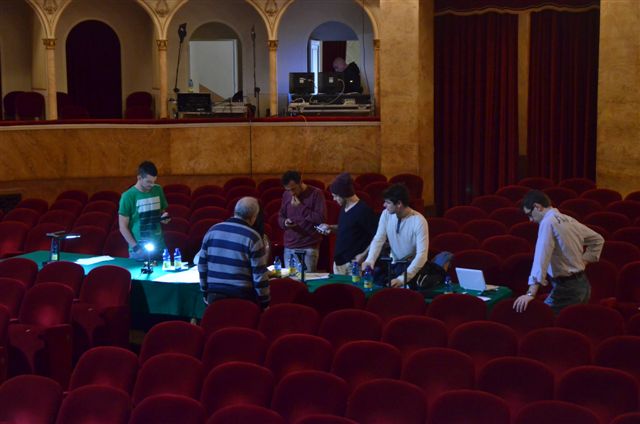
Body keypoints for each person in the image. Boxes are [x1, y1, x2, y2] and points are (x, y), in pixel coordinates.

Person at [513, 190, 604, 314]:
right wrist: (583, 261)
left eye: (530, 215)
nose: (530, 220)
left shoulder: (547, 222)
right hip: (582, 285)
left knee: (543, 318)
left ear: (537, 207)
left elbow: (541, 256)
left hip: (567, 289)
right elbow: (598, 240)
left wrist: (530, 293)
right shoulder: (568, 219)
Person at [198, 197, 270, 308]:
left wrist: (204, 291)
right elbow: (259, 276)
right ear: (253, 217)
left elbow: (202, 265)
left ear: (235, 211)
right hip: (242, 297)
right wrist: (265, 302)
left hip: (214, 295)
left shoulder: (212, 231)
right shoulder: (253, 237)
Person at [362, 184, 429, 288]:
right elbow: (379, 239)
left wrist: (403, 279)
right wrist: (370, 260)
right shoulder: (386, 214)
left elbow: (422, 256)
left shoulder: (419, 221)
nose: (384, 205)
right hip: (393, 265)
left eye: (388, 202)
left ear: (399, 204)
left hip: (411, 268)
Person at [316, 172, 377, 275]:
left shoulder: (363, 210)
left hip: (353, 264)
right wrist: (330, 227)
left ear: (343, 195)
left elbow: (377, 237)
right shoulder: (344, 207)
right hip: (339, 262)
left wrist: (363, 255)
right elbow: (347, 228)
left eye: (335, 196)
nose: (334, 199)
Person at [118, 161, 169, 261]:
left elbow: (162, 212)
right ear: (139, 178)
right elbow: (123, 227)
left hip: (159, 246)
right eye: (148, 182)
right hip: (139, 249)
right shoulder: (128, 196)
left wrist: (165, 217)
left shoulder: (158, 189)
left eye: (154, 181)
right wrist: (135, 247)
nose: (152, 185)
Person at [278, 170, 326, 273]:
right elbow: (281, 216)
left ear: (300, 182)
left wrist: (300, 207)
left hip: (308, 246)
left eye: (293, 189)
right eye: (288, 190)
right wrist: (285, 222)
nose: (291, 193)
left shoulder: (316, 194)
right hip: (289, 246)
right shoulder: (286, 194)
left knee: (307, 280)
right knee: (290, 280)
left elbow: (320, 219)